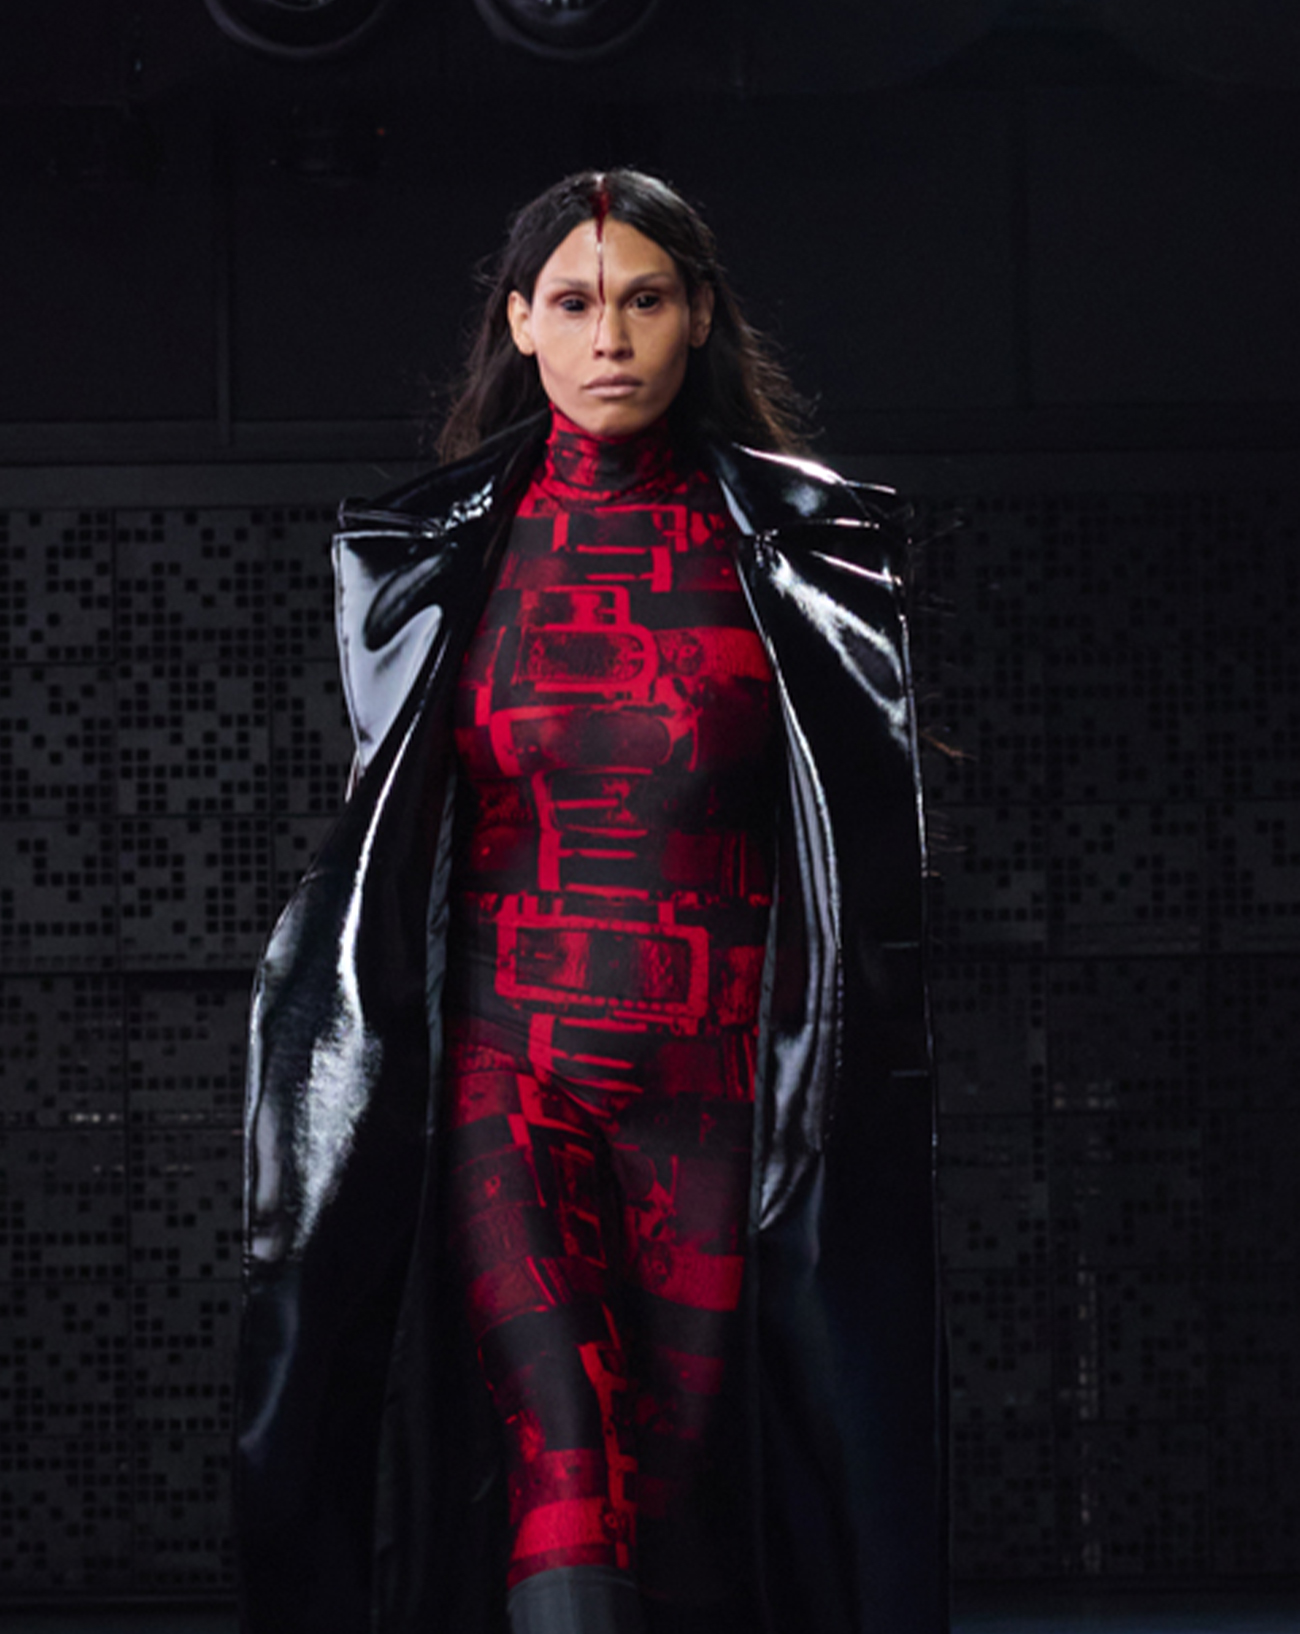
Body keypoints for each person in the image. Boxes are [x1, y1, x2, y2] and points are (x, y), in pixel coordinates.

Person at [235, 168, 946, 1634]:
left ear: (700, 319)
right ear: (521, 323)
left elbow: (852, 857)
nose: (609, 336)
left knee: (683, 1513)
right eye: (573, 302)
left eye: (644, 300)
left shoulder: (809, 557)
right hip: (515, 1085)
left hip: (721, 1109)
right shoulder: (428, 559)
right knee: (566, 1465)